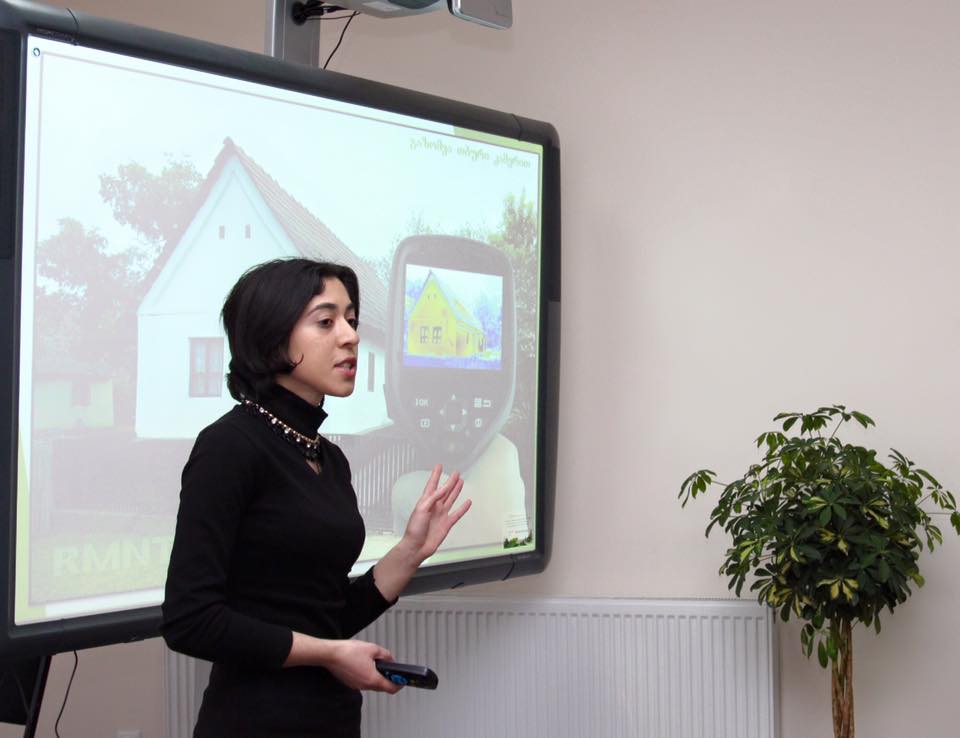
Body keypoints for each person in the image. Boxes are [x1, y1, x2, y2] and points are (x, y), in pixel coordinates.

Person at [161, 258, 471, 738]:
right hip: (253, 723)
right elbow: (190, 621)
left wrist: (411, 550)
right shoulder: (229, 446)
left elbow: (327, 617)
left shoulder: (330, 459)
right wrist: (330, 654)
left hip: (332, 717)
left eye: (351, 320)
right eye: (326, 322)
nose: (350, 337)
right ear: (272, 338)